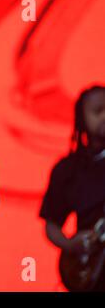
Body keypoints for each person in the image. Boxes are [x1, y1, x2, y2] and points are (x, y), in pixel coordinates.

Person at [40, 85, 105, 291]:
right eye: (98, 111)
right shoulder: (67, 170)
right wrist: (71, 245)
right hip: (93, 272)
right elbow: (52, 224)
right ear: (81, 119)